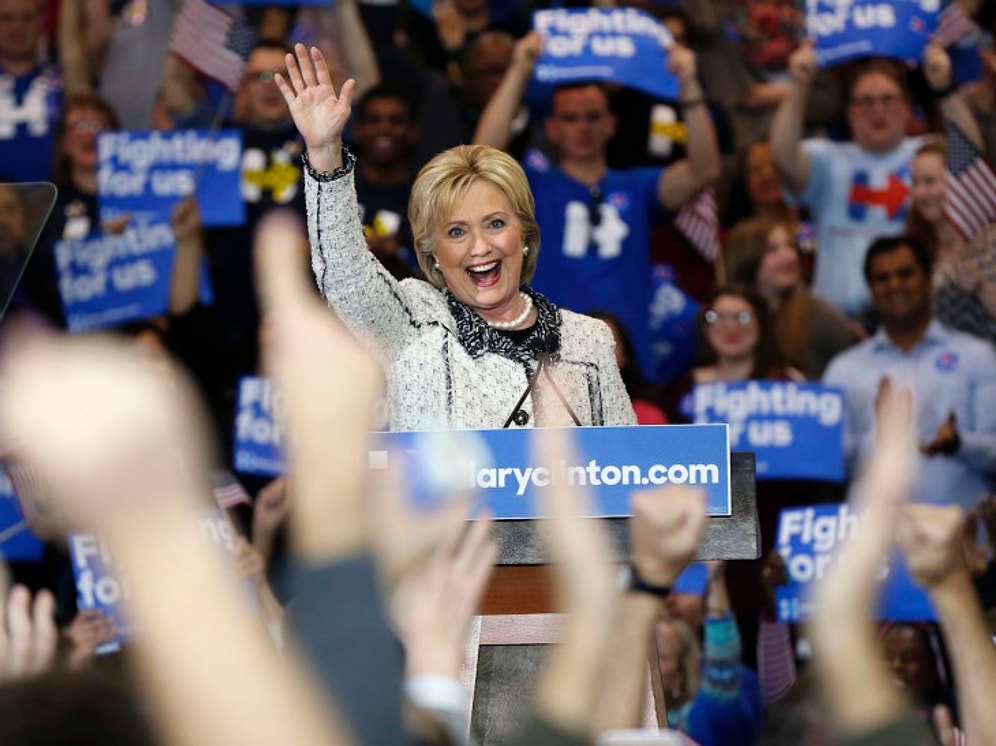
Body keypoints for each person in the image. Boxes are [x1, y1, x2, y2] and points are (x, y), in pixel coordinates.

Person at [277, 43, 635, 430]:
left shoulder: (589, 341)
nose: (480, 247)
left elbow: (627, 461)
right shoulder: (411, 323)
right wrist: (325, 152)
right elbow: (345, 277)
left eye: (495, 224)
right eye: (457, 231)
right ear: (432, 251)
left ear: (525, 234)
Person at [474, 32, 721, 384]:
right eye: (571, 118)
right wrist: (519, 69)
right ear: (552, 128)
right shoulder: (531, 187)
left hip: (629, 364)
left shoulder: (637, 186)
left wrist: (689, 82)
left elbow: (704, 169)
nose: (583, 127)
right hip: (548, 362)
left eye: (592, 117)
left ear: (611, 124)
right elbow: (480, 159)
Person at [769, 41, 977, 323]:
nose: (877, 110)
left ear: (906, 107)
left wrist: (944, 88)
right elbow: (781, 156)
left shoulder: (927, 154)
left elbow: (971, 158)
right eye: (866, 101)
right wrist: (799, 85)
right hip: (836, 323)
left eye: (888, 99)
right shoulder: (825, 159)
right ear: (849, 112)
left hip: (914, 319)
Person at [822, 235, 996, 514]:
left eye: (905, 274)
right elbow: (827, 466)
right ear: (871, 290)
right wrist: (881, 436)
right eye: (882, 278)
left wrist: (959, 443)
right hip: (872, 533)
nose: (894, 285)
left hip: (960, 531)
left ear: (929, 281)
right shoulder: (842, 370)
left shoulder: (977, 357)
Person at [724, 216, 860, 379]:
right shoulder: (723, 317)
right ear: (746, 259)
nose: (790, 256)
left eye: (790, 247)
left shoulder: (820, 316)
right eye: (773, 250)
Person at [663, 285, 802, 423]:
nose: (731, 326)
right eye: (719, 317)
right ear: (706, 328)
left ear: (761, 325)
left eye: (743, 317)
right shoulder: (684, 387)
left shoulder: (786, 382)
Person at [905, 140, 996, 346]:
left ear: (959, 184)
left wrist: (981, 288)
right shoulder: (911, 245)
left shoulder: (991, 241)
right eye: (915, 183)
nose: (920, 193)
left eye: (930, 182)